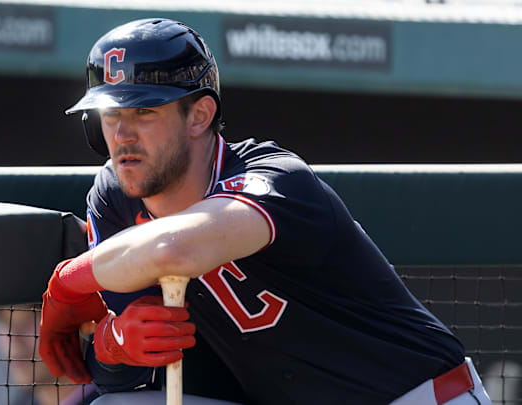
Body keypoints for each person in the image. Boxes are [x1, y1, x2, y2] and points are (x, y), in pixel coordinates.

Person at [38, 18, 491, 405]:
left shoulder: (275, 177)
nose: (123, 135)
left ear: (199, 116)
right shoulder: (114, 199)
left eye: (143, 112)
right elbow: (123, 374)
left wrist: (65, 285)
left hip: (417, 395)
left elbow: (173, 248)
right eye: (111, 115)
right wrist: (114, 345)